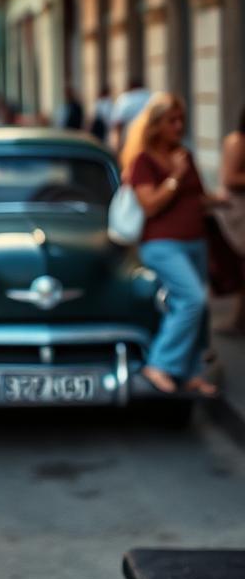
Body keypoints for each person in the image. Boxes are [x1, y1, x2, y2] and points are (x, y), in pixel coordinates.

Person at [124, 92, 218, 396]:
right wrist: (175, 177)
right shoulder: (143, 161)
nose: (178, 127)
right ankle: (160, 364)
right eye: (171, 121)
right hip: (162, 245)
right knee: (192, 300)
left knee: (199, 310)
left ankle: (190, 372)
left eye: (181, 120)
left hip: (195, 242)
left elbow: (199, 197)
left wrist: (221, 201)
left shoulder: (185, 154)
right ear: (156, 125)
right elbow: (150, 204)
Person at [218, 106, 245, 331]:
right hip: (238, 209)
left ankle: (238, 318)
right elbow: (230, 178)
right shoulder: (236, 141)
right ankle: (237, 319)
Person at [111, 77, 151, 151]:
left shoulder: (124, 99)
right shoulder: (150, 96)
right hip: (149, 143)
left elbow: (118, 125)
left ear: (130, 87)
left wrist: (116, 146)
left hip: (129, 144)